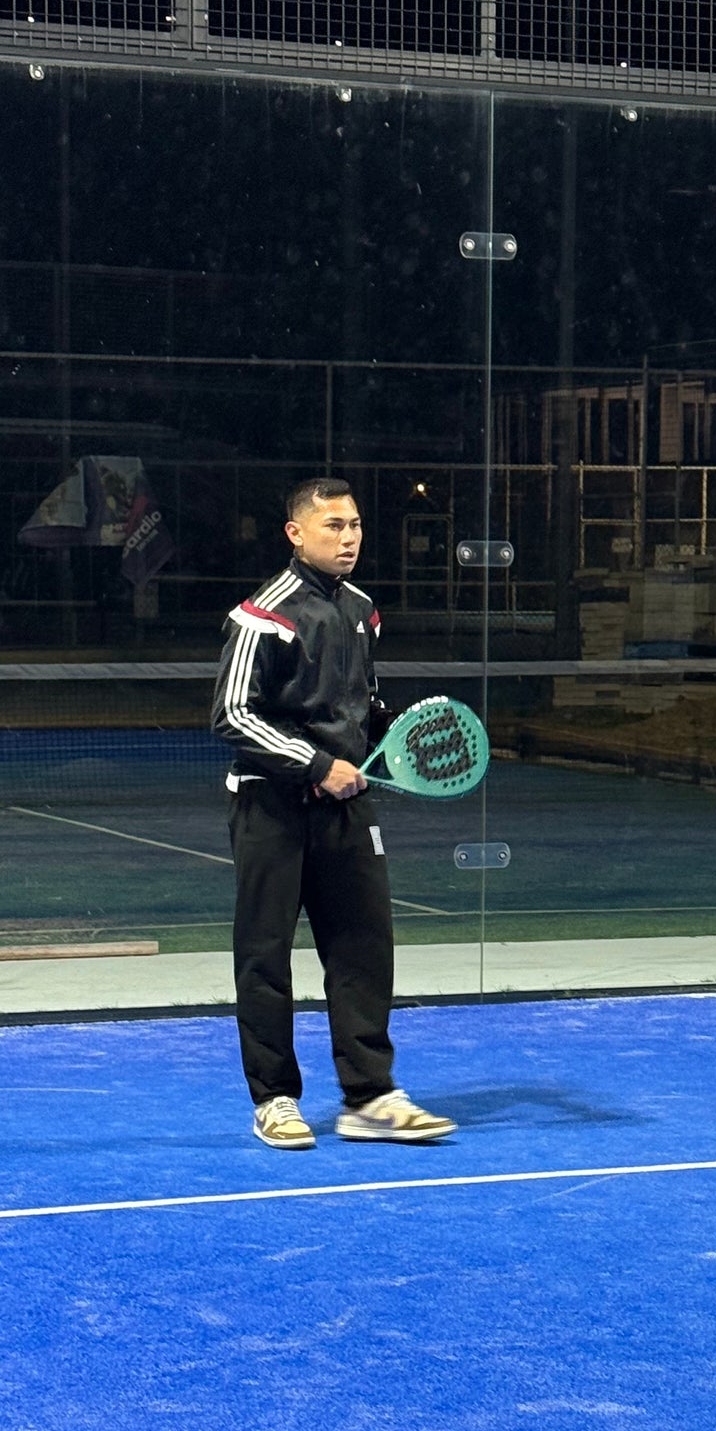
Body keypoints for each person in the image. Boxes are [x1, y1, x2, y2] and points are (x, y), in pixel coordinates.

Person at [213, 477, 454, 1150]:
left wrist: (388, 733)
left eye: (355, 525)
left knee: (364, 948)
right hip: (270, 807)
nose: (348, 538)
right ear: (296, 534)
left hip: (347, 809)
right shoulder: (262, 615)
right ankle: (275, 1099)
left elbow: (358, 703)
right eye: (333, 526)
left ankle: (370, 1097)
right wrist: (317, 765)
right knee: (265, 955)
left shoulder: (362, 610)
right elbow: (232, 714)